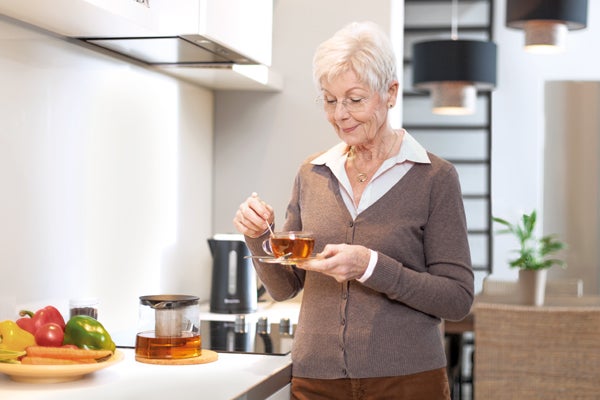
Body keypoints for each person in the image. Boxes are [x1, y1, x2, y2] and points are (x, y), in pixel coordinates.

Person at [233, 21, 473, 400]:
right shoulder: (313, 172)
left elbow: (457, 299)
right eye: (330, 100)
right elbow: (284, 287)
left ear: (390, 93)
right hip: (317, 382)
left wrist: (371, 267)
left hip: (408, 383)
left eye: (355, 99)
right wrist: (258, 236)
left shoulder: (435, 177)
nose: (340, 114)